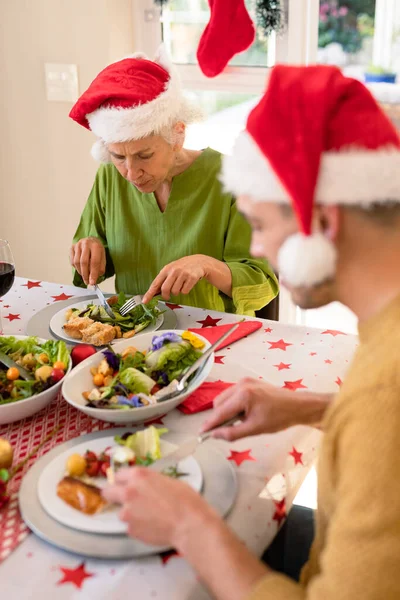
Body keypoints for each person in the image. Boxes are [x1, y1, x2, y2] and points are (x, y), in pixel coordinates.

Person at [104, 65, 400, 600]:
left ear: (325, 222)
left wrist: (188, 526)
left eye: (260, 226)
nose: (257, 249)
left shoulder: (387, 390)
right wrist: (310, 408)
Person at [68, 47, 278, 315]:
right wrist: (88, 253)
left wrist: (207, 265)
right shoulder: (109, 176)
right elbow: (92, 258)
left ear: (178, 135)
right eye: (119, 156)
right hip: (134, 337)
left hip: (213, 339)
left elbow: (263, 284)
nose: (131, 173)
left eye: (145, 155)